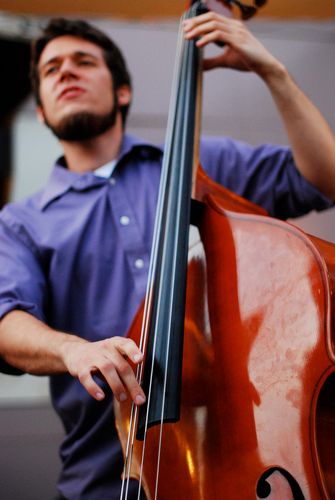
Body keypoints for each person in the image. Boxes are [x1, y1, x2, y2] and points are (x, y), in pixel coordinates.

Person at [0, 12, 334, 499]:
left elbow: (323, 178)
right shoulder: (21, 222)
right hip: (100, 483)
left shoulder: (202, 164)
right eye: (51, 69)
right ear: (43, 113)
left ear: (122, 92)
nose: (66, 72)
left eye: (83, 61)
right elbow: (6, 323)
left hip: (242, 465)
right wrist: (73, 349)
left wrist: (273, 73)